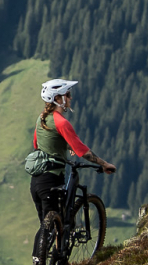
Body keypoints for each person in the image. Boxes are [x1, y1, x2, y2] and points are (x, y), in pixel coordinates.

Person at [28, 79, 116, 241]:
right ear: (58, 99)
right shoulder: (62, 122)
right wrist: (104, 164)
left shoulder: (41, 119)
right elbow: (83, 151)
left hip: (36, 181)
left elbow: (38, 144)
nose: (70, 98)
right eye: (67, 95)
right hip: (51, 181)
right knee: (48, 230)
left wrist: (66, 147)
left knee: (45, 227)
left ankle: (44, 264)